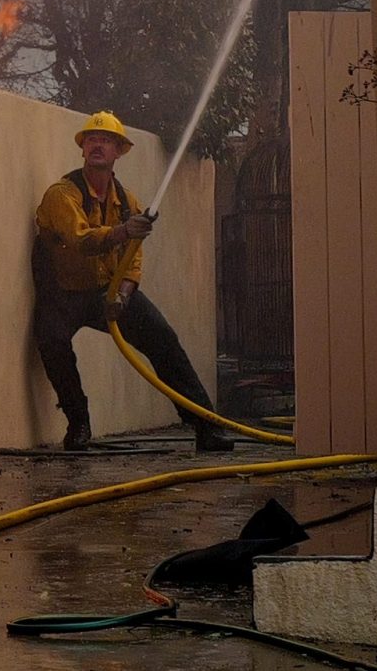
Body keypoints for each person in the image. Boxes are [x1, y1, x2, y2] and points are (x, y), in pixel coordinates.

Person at [32, 112, 234, 452]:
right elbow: (82, 240)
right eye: (92, 139)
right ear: (83, 150)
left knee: (164, 341)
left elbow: (133, 259)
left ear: (118, 152)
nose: (98, 145)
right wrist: (124, 231)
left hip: (108, 292)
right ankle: (78, 423)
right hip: (62, 295)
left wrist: (123, 296)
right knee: (51, 341)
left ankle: (206, 426)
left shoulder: (128, 203)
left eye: (106, 140)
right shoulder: (61, 195)